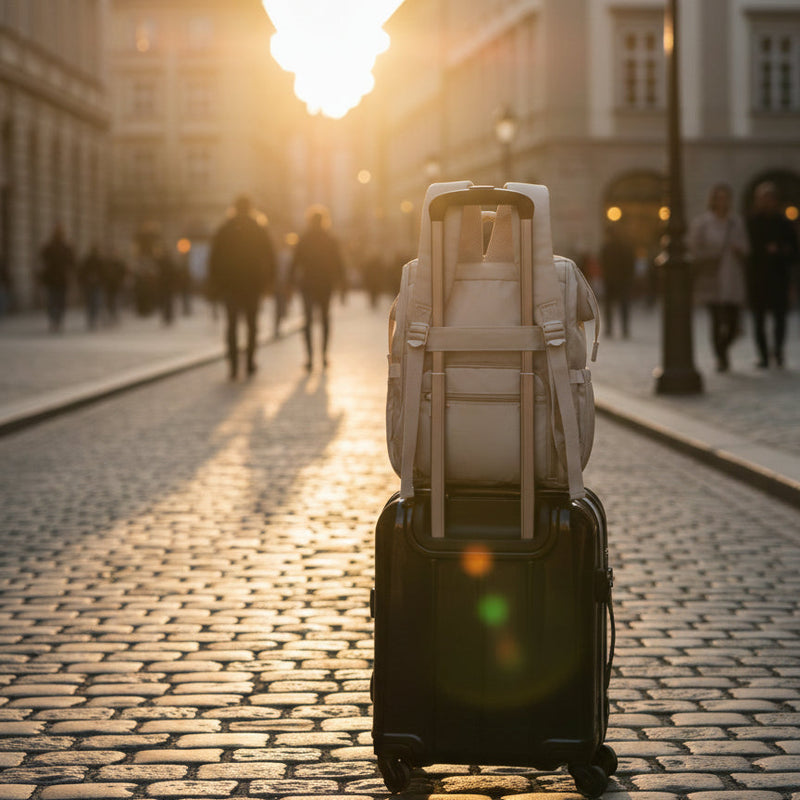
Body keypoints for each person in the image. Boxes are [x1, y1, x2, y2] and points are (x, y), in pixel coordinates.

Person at [208, 194, 276, 379]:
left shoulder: (225, 229)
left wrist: (215, 282)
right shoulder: (258, 229)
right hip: (252, 284)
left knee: (231, 325)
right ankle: (250, 361)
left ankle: (233, 364)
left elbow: (214, 258)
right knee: (252, 325)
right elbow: (270, 256)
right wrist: (269, 281)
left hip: (230, 284)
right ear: (250, 208)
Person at [688, 182, 750, 372]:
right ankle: (721, 357)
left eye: (725, 198)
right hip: (711, 275)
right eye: (719, 198)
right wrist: (711, 253)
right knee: (716, 319)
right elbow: (694, 248)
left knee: (733, 322)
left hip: (732, 275)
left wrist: (739, 249)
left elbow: (746, 247)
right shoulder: (703, 223)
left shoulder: (736, 222)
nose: (722, 202)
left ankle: (723, 349)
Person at [746, 181, 799, 368]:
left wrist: (780, 250)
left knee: (780, 317)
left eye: (770, 198)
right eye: (763, 198)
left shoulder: (784, 223)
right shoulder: (752, 222)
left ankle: (778, 351)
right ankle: (763, 356)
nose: (767, 202)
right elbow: (748, 250)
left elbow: (794, 252)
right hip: (758, 278)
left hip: (779, 277)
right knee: (758, 319)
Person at [290, 205, 346, 371]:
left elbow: (295, 262)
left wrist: (289, 282)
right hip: (325, 284)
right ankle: (324, 355)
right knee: (325, 320)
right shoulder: (330, 240)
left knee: (307, 321)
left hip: (308, 284)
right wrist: (342, 284)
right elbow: (339, 263)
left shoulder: (304, 239)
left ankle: (309, 357)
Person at [599, 226, 635, 338]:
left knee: (609, 306)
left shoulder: (606, 247)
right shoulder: (625, 247)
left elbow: (602, 263)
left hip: (610, 280)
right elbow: (630, 264)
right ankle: (625, 329)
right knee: (623, 305)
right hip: (622, 280)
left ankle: (609, 328)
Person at [39, 224, 75, 333]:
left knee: (53, 301)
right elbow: (72, 263)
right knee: (59, 301)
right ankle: (57, 320)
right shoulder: (65, 247)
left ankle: (55, 320)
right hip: (60, 279)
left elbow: (42, 259)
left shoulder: (51, 246)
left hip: (54, 279)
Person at [78, 244, 105, 330]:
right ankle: (92, 318)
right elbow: (103, 273)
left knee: (91, 302)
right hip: (93, 285)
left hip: (93, 285)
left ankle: (92, 318)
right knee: (94, 302)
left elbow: (82, 272)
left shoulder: (89, 260)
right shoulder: (98, 260)